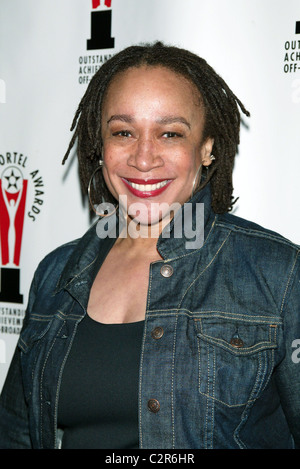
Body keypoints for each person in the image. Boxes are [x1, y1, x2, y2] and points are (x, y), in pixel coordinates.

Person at [0, 41, 299, 449]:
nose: (143, 158)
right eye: (123, 132)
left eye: (169, 133)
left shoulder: (277, 272)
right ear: (99, 146)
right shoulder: (56, 272)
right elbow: (16, 432)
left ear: (207, 148)